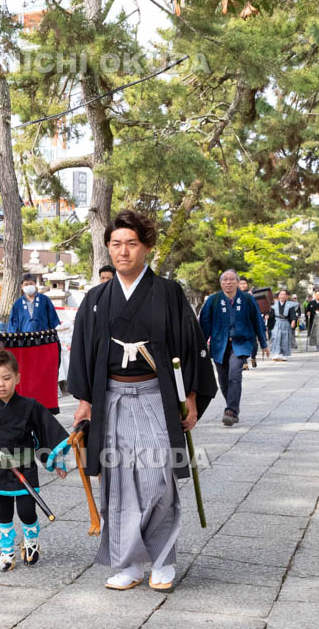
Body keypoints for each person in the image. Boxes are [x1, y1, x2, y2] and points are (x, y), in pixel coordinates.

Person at [67, 209, 216, 593]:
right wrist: (85, 403)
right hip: (111, 398)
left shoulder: (168, 293)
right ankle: (128, 562)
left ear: (147, 247)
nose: (123, 252)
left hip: (155, 396)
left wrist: (193, 399)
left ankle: (163, 560)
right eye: (116, 244)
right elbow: (82, 353)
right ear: (108, 249)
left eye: (132, 244)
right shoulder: (97, 298)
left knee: (158, 478)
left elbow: (191, 345)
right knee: (117, 483)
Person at [0, 350, 69, 572]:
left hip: (25, 467)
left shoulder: (30, 407)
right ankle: (7, 552)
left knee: (27, 510)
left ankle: (30, 542)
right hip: (1, 470)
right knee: (4, 512)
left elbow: (45, 432)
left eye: (7, 378)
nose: (2, 384)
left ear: (17, 378)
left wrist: (55, 460)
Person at [199, 271, 269, 427]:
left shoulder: (248, 299)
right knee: (223, 381)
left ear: (237, 282)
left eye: (232, 279)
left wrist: (263, 343)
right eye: (225, 280)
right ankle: (234, 407)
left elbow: (257, 321)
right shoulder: (213, 300)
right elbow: (204, 325)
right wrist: (199, 346)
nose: (228, 282)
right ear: (221, 283)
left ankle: (230, 410)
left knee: (234, 375)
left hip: (241, 343)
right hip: (219, 345)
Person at [268, 289, 299, 361]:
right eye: (280, 294)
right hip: (276, 322)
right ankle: (276, 353)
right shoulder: (274, 304)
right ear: (278, 296)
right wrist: (268, 316)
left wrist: (293, 321)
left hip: (285, 322)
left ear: (287, 296)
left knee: (285, 338)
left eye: (284, 295)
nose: (282, 296)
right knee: (276, 337)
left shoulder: (290, 305)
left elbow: (293, 314)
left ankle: (284, 354)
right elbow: (270, 313)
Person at [237, 277, 260, 369]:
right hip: (239, 323)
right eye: (241, 283)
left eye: (244, 283)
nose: (243, 285)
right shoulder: (234, 294)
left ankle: (253, 357)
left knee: (253, 344)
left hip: (251, 322)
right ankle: (244, 362)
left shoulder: (252, 295)